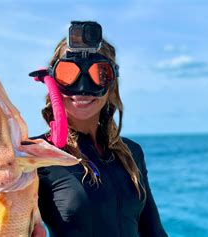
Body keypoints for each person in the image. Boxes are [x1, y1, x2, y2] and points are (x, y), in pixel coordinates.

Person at [33, 23, 167, 237]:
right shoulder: (34, 156)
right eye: (69, 74)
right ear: (52, 81)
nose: (83, 87)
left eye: (99, 74)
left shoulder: (131, 153)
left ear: (111, 82)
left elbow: (154, 232)